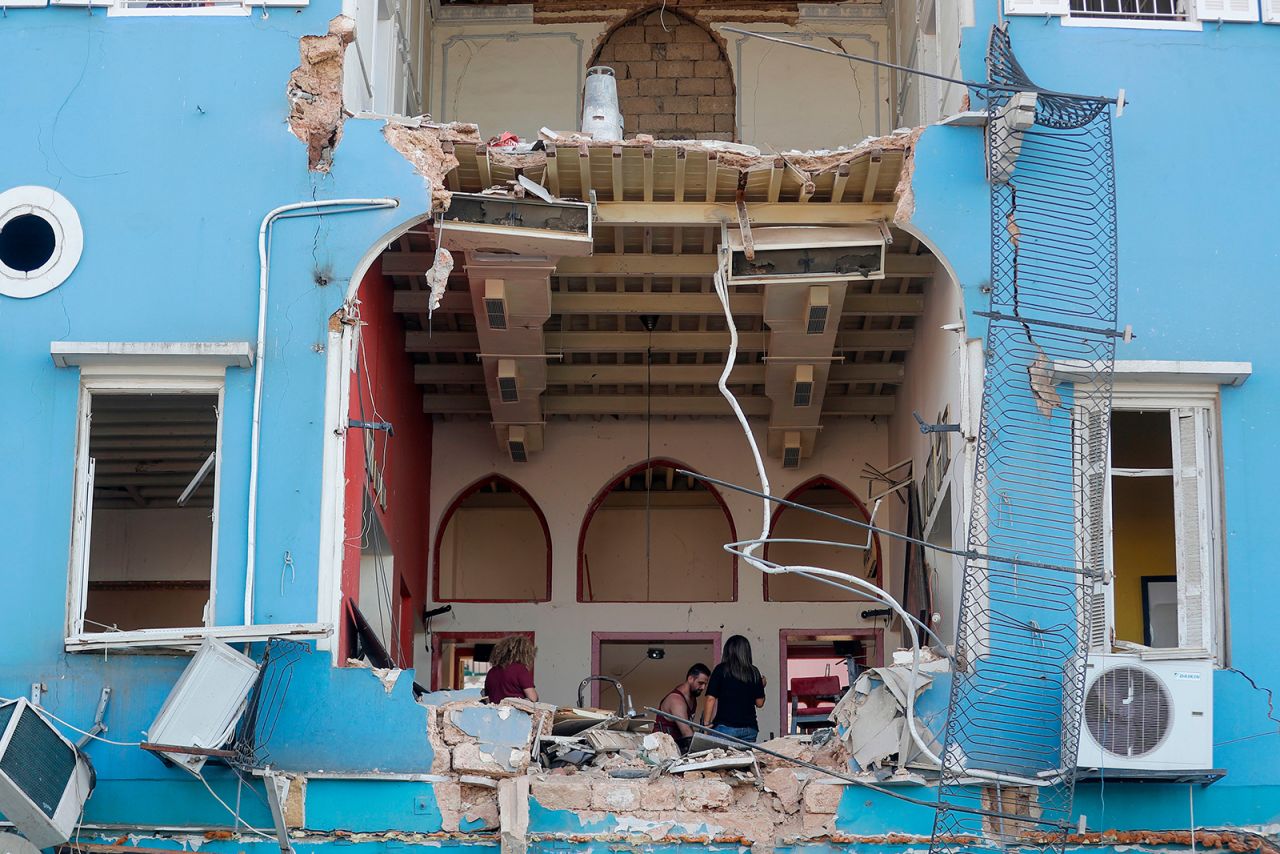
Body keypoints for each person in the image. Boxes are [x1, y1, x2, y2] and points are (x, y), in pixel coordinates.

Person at [702, 635, 766, 743]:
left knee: (723, 759)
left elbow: (710, 699)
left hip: (725, 728)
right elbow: (759, 703)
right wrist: (762, 685)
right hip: (749, 729)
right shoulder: (754, 672)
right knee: (745, 759)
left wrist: (706, 725)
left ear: (728, 650)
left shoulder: (721, 670)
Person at [655, 663, 711, 754]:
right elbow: (687, 733)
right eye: (700, 683)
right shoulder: (676, 700)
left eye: (705, 684)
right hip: (662, 750)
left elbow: (689, 729)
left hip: (677, 748)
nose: (703, 687)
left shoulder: (692, 698)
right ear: (690, 679)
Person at [483, 634, 538, 703]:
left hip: (494, 711)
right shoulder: (520, 669)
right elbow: (533, 698)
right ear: (524, 653)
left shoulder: (491, 671)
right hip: (515, 712)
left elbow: (487, 698)